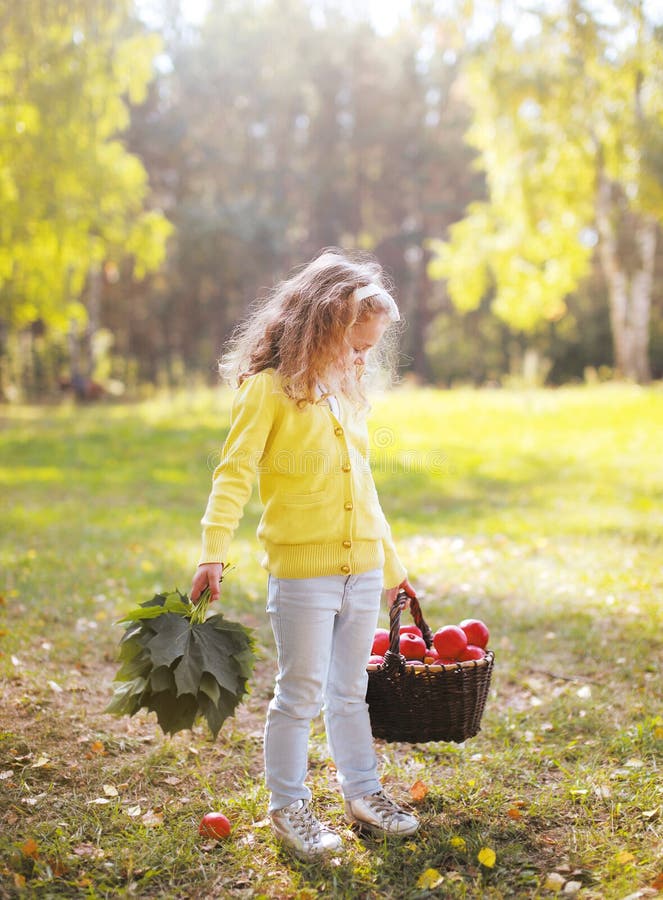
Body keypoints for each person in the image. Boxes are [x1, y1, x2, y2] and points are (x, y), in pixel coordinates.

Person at [190, 248, 419, 859]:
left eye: (371, 349)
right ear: (320, 329)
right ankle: (288, 806)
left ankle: (363, 793)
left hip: (362, 569)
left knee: (349, 692)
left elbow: (364, 489)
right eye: (357, 345)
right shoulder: (268, 391)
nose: (363, 358)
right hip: (303, 573)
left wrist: (392, 568)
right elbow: (233, 474)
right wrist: (213, 552)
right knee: (299, 692)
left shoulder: (346, 398)